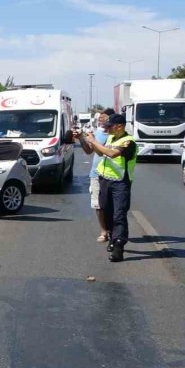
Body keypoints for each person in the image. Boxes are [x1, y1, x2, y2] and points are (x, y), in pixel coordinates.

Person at [83, 114, 137, 262]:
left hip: (120, 182)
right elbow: (101, 152)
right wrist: (89, 141)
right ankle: (113, 238)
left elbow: (112, 154)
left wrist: (94, 141)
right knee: (106, 211)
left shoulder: (128, 142)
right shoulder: (111, 138)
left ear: (119, 126)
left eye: (110, 125)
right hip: (105, 180)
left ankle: (119, 247)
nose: (107, 128)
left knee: (119, 214)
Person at [76, 108, 115, 243]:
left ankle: (114, 230)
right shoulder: (98, 132)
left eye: (102, 117)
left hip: (112, 174)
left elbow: (104, 152)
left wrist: (93, 141)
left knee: (111, 204)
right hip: (96, 174)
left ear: (110, 119)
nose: (100, 119)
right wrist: (81, 138)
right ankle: (104, 231)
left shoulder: (115, 135)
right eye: (99, 117)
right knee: (98, 205)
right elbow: (89, 151)